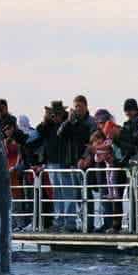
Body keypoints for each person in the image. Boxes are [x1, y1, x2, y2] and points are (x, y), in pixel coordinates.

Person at [58, 95, 97, 231]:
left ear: (86, 106)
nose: (77, 109)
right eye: (75, 107)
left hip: (86, 163)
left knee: (87, 193)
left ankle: (90, 223)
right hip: (73, 163)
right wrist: (68, 121)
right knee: (76, 193)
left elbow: (92, 142)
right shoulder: (71, 121)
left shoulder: (91, 122)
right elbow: (60, 134)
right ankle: (81, 221)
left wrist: (85, 157)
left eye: (79, 106)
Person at [36, 101, 69, 231]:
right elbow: (39, 130)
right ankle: (59, 219)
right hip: (51, 162)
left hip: (63, 162)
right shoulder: (48, 126)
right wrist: (46, 119)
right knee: (56, 192)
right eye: (52, 114)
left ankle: (68, 220)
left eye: (56, 113)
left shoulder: (66, 124)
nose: (54, 116)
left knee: (66, 192)